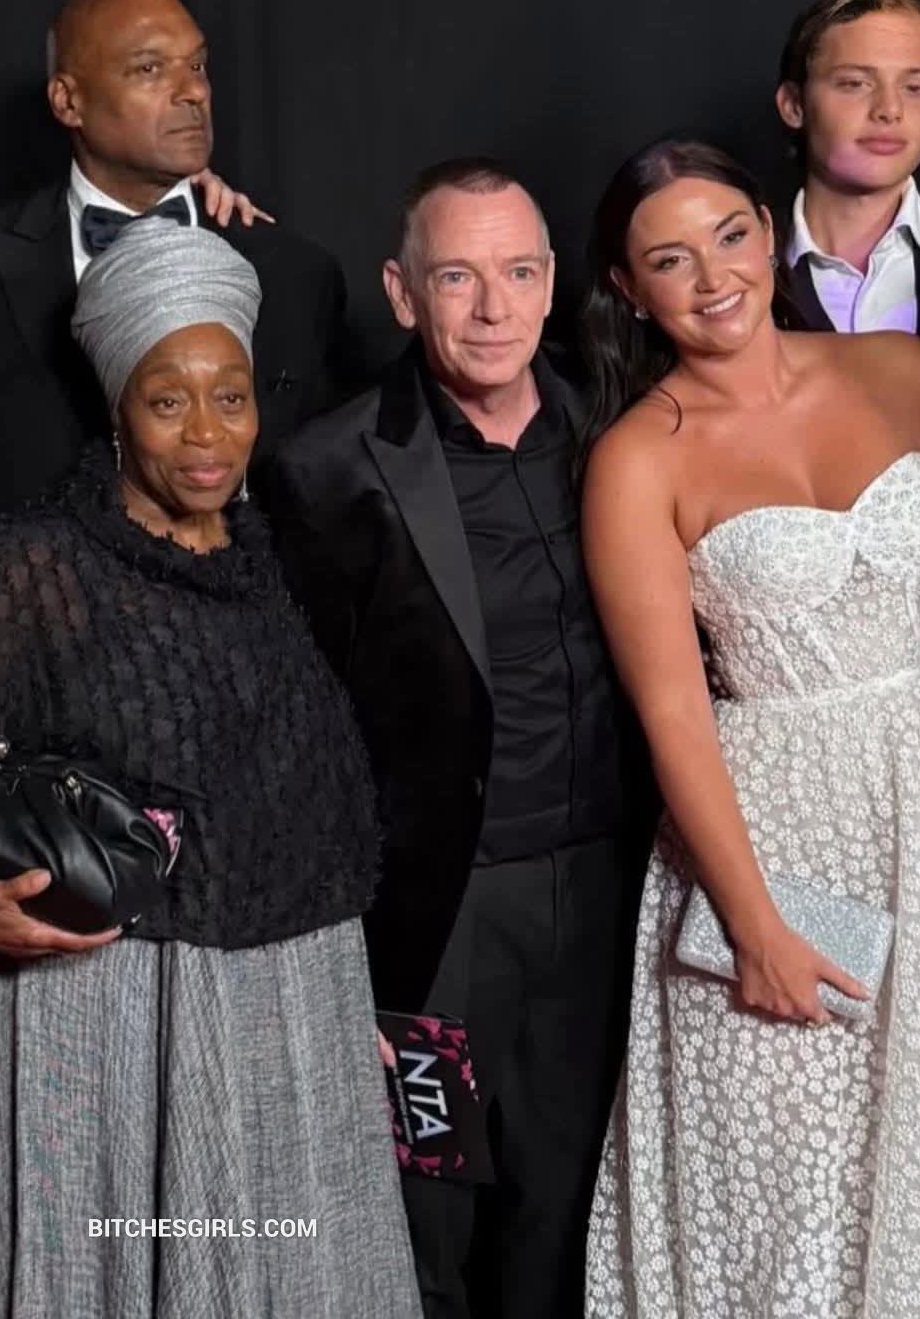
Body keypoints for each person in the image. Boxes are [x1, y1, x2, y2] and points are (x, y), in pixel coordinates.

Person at [579, 139, 920, 1318]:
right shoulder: (637, 459)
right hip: (775, 835)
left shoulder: (904, 369)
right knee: (794, 1193)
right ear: (629, 288)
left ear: (766, 228)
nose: (714, 277)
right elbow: (672, 708)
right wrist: (755, 924)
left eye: (731, 235)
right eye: (669, 260)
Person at [0, 218, 421, 1319]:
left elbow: (295, 810)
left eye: (231, 396)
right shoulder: (39, 568)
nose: (208, 433)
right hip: (94, 1034)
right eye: (168, 400)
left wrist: (339, 1016)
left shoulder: (272, 552)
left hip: (286, 1020)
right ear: (118, 407)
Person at [270, 159, 650, 1319]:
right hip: (436, 920)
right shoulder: (328, 469)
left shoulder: (621, 427)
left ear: (553, 282)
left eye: (519, 272)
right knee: (426, 1217)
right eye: (456, 277)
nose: (493, 308)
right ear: (401, 292)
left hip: (603, 900)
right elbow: (296, 736)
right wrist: (334, 970)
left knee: (564, 1220)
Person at [0, 0, 352, 547]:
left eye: (198, 66)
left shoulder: (297, 275)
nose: (194, 92)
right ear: (68, 101)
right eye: (150, 69)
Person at [774, 0, 920, 357]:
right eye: (855, 83)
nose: (890, 110)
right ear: (794, 105)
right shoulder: (738, 271)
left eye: (915, 88)